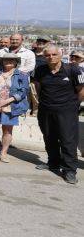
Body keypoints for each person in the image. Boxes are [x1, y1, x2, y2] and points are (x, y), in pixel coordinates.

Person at [33, 46, 84, 184]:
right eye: (48, 55)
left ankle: (69, 170)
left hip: (67, 111)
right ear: (44, 57)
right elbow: (38, 87)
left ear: (61, 55)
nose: (51, 57)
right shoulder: (40, 70)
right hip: (46, 109)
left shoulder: (73, 69)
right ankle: (53, 163)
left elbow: (81, 90)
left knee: (68, 140)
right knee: (49, 137)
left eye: (54, 54)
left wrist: (74, 106)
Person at [0, 53, 29, 163]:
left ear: (16, 62)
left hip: (11, 105)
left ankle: (3, 152)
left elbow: (24, 90)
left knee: (7, 130)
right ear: (2, 61)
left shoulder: (22, 75)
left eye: (12, 60)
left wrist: (7, 101)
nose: (9, 61)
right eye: (6, 59)